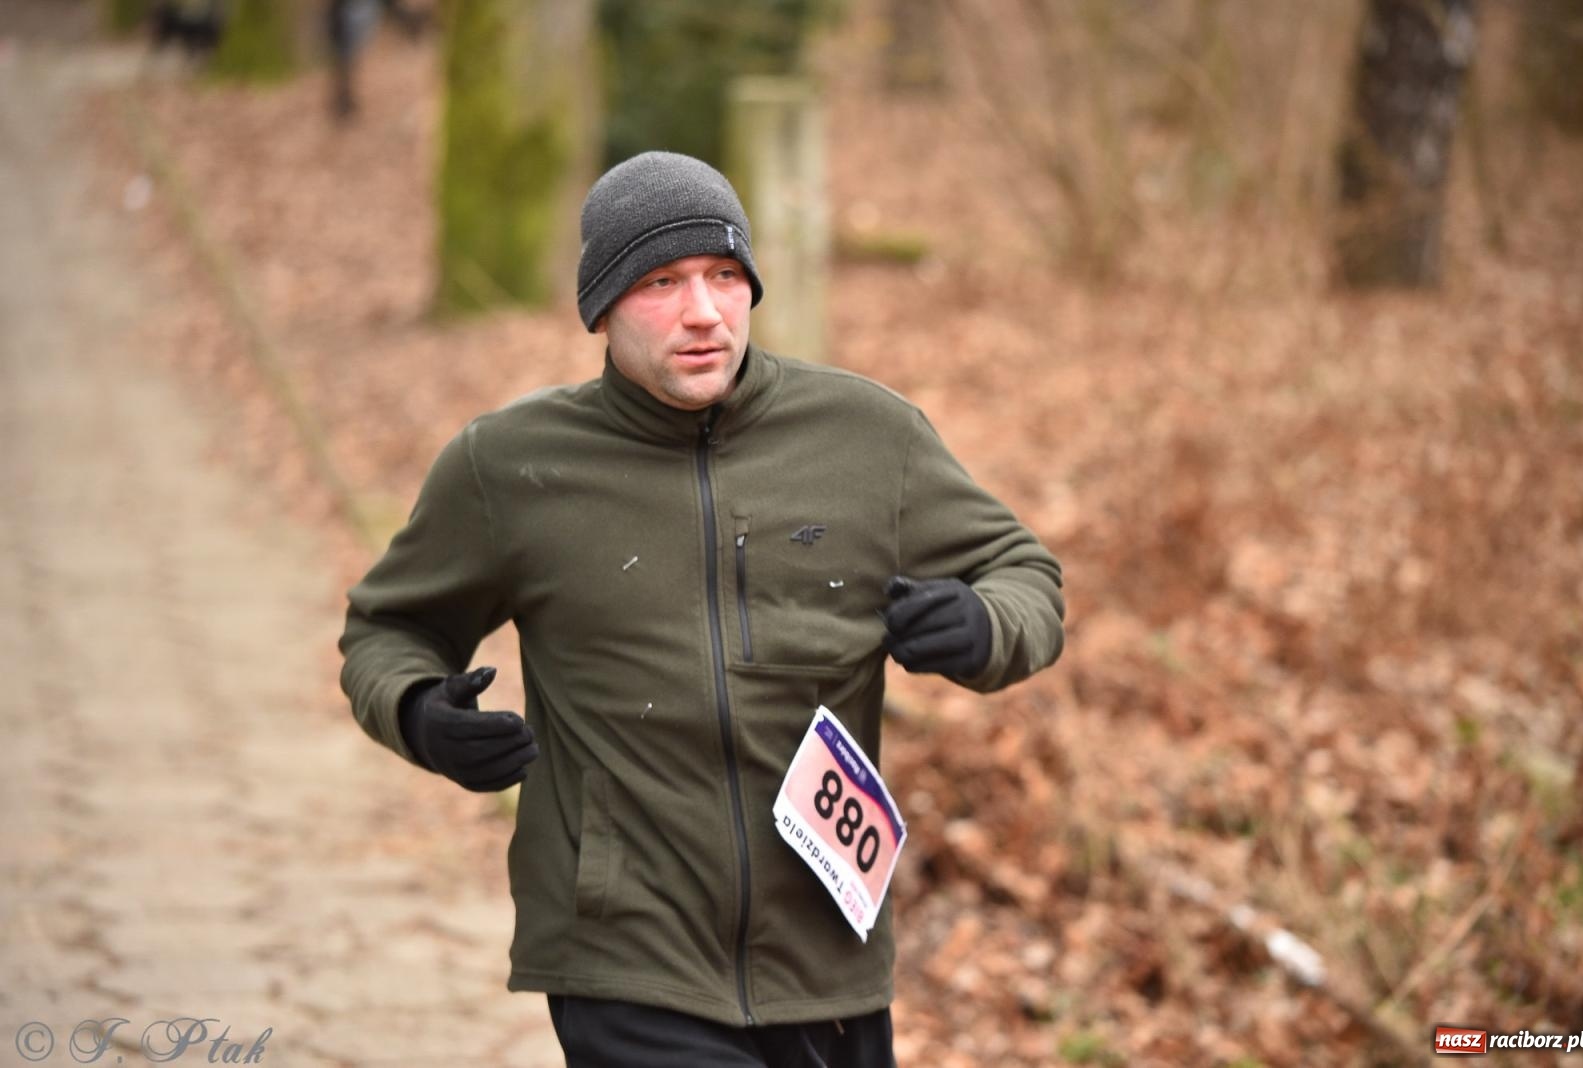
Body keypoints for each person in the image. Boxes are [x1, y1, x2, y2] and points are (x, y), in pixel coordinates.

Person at [338, 151, 1065, 1066]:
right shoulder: (511, 469)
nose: (703, 311)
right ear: (600, 308)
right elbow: (388, 630)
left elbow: (1024, 573)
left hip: (829, 958)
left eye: (725, 276)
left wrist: (984, 626)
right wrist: (417, 711)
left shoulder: (869, 439)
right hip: (625, 958)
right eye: (661, 282)